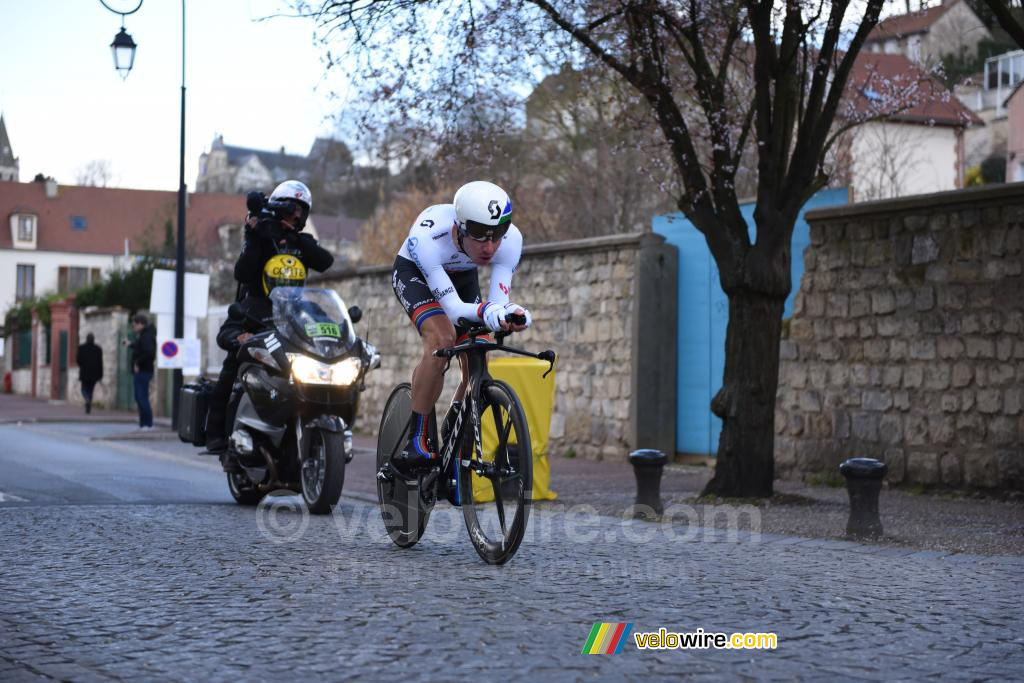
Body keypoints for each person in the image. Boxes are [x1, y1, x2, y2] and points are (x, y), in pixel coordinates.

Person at [391, 180, 531, 464]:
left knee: (479, 351)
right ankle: (416, 437)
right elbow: (455, 311)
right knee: (442, 339)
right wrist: (487, 311)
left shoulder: (511, 240)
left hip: (462, 277)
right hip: (418, 273)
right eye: (479, 237)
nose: (489, 247)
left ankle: (457, 419)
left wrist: (512, 314)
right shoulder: (428, 237)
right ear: (459, 228)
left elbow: (498, 302)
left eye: (496, 236)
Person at [204, 180, 334, 454]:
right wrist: (255, 235)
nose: (296, 215)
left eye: (301, 210)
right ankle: (216, 433)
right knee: (232, 366)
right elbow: (242, 272)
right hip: (256, 310)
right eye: (291, 208)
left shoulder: (302, 242)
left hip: (292, 313)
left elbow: (325, 261)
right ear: (277, 207)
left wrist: (296, 239)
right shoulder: (260, 236)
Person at [123, 313, 156, 429]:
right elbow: (140, 347)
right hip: (142, 370)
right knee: (140, 397)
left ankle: (147, 423)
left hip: (143, 371)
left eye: (134, 325)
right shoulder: (144, 335)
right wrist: (130, 344)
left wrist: (138, 363)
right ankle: (143, 423)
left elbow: (149, 352)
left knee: (142, 397)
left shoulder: (146, 336)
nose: (133, 328)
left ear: (141, 324)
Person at [76, 333, 103, 414]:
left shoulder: (81, 348)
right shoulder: (98, 349)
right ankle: (88, 405)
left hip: (84, 372)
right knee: (91, 389)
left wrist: (82, 365)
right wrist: (100, 375)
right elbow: (100, 363)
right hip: (95, 374)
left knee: (83, 389)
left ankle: (87, 399)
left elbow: (78, 360)